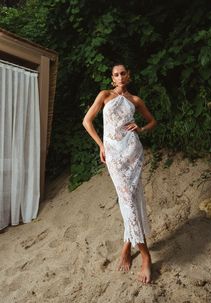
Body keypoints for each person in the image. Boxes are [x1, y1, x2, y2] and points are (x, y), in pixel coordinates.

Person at [82, 63, 157, 284]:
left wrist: (141, 129)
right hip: (113, 155)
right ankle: (145, 255)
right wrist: (101, 146)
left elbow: (153, 121)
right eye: (116, 74)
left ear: (129, 76)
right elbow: (87, 122)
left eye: (123, 73)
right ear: (112, 78)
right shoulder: (104, 95)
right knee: (127, 200)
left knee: (131, 200)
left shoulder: (135, 100)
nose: (120, 76)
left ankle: (130, 247)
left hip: (133, 152)